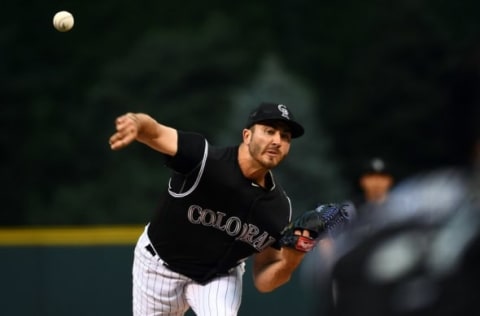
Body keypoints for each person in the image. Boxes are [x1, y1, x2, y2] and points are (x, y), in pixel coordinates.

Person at [108, 102, 349, 316]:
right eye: (269, 131)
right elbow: (156, 132)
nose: (277, 140)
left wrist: (293, 256)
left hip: (217, 276)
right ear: (247, 135)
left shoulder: (278, 207)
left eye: (285, 136)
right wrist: (137, 123)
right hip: (158, 265)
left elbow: (264, 279)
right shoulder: (202, 159)